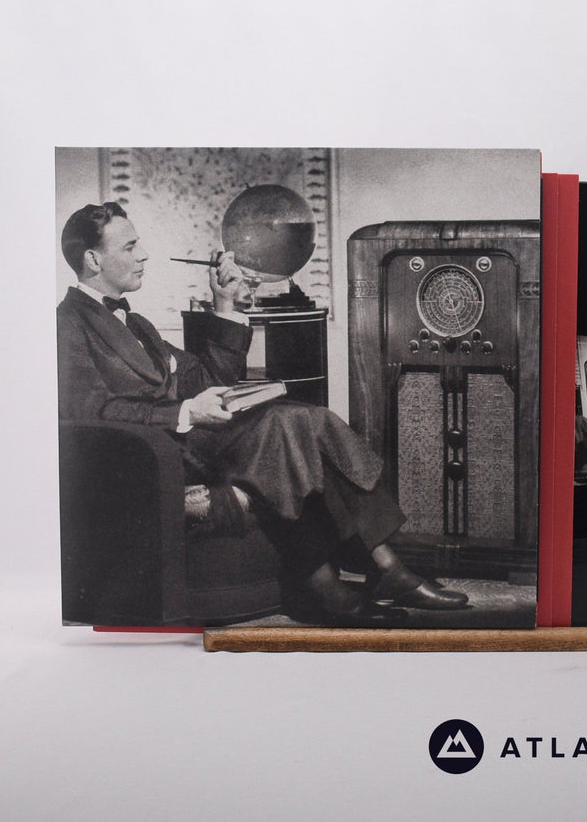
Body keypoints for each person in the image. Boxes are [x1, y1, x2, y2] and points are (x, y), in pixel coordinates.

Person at [57, 201, 467, 622]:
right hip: (152, 457)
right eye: (129, 247)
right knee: (283, 427)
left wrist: (225, 305)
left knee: (309, 419)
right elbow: (89, 410)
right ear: (93, 259)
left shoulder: (138, 324)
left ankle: (382, 568)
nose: (143, 254)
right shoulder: (67, 323)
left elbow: (207, 378)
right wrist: (186, 412)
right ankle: (336, 584)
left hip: (194, 441)